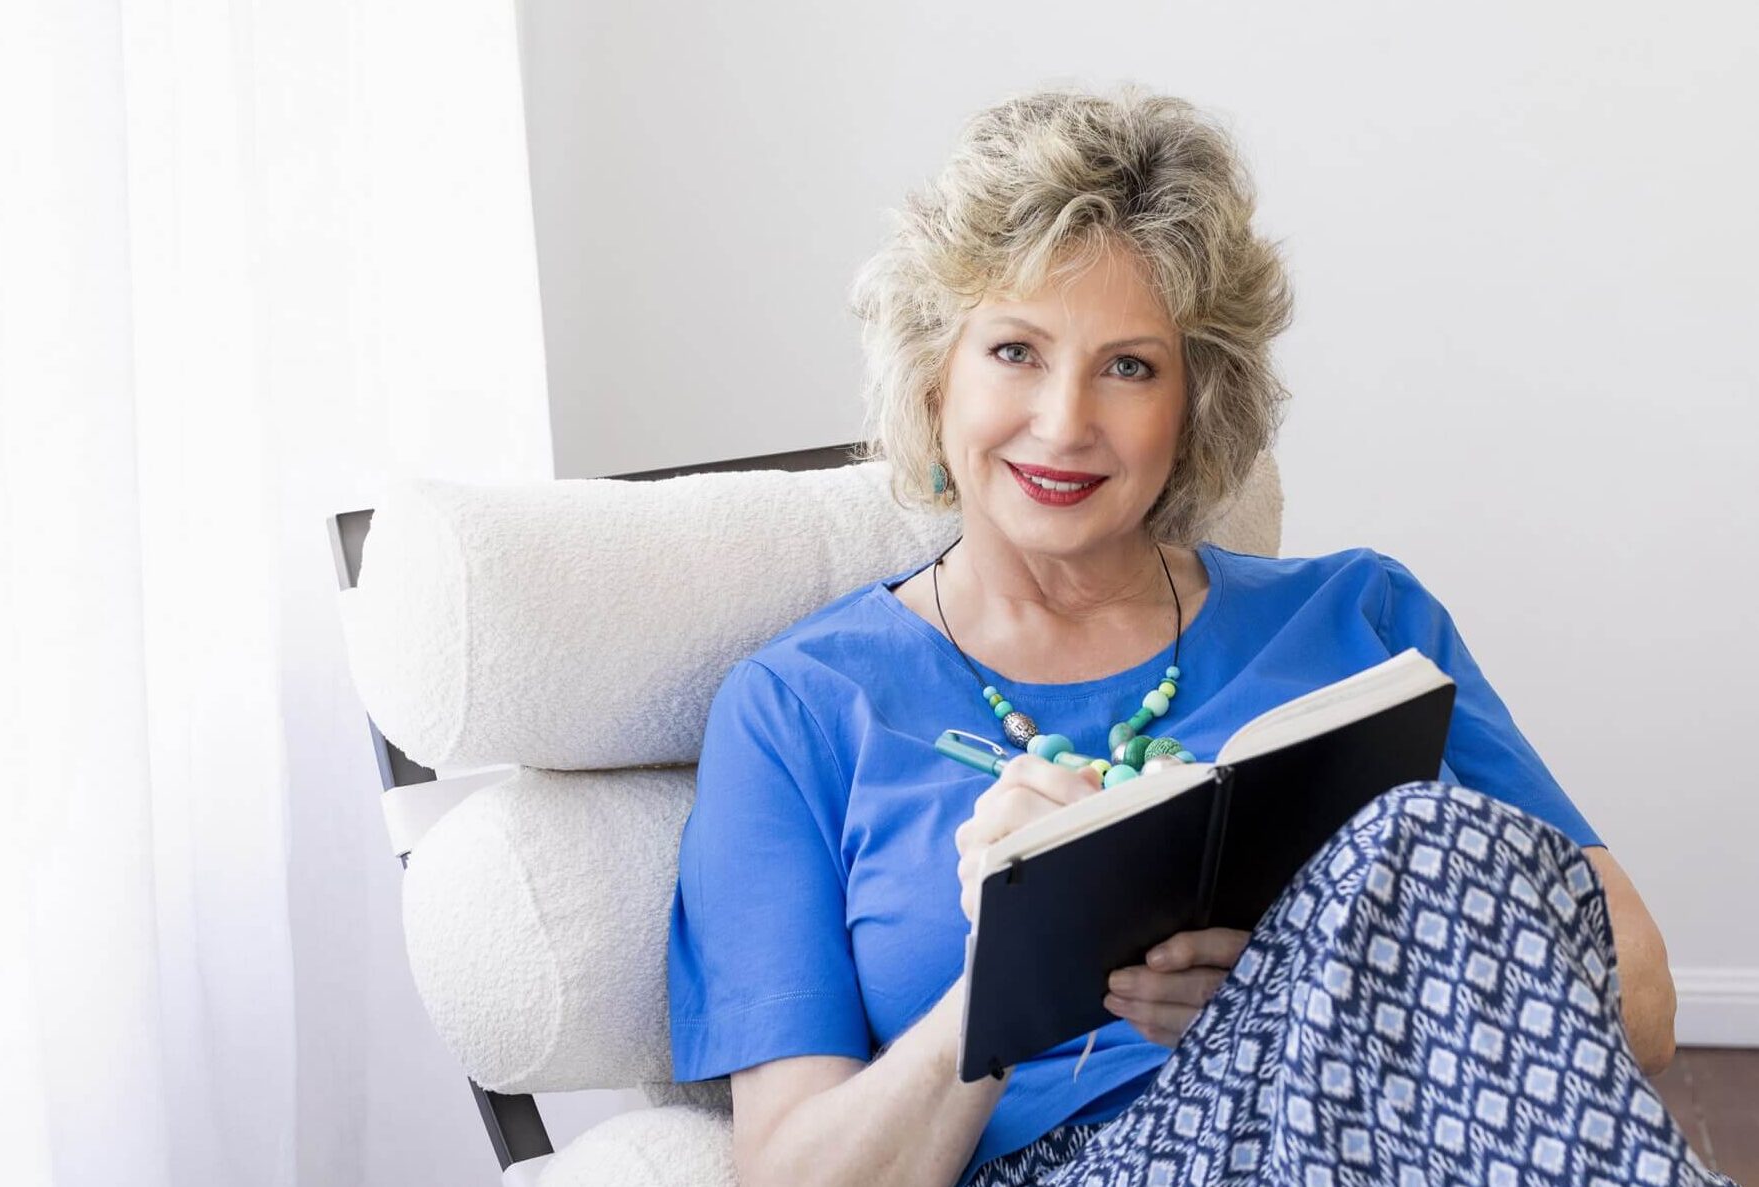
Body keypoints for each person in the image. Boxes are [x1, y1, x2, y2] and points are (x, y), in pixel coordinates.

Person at [665, 85, 1714, 1187]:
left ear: (1194, 404)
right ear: (935, 378)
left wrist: (1304, 966)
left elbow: (1639, 1005)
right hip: (1077, 1166)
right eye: (1015, 349)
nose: (1064, 420)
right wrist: (1009, 974)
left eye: (1128, 365)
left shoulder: (1359, 616)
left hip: (1402, 1141)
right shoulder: (801, 705)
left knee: (1418, 837)